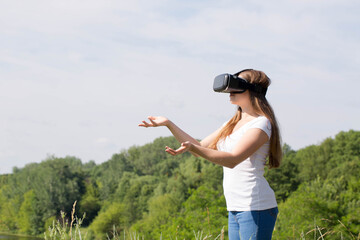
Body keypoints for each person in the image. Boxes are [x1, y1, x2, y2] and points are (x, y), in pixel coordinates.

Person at [138, 69, 282, 240]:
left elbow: (232, 159)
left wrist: (193, 148)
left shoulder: (261, 124)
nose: (229, 92)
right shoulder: (232, 122)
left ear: (252, 90)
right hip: (235, 206)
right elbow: (201, 147)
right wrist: (169, 124)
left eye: (236, 86)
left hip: (256, 207)